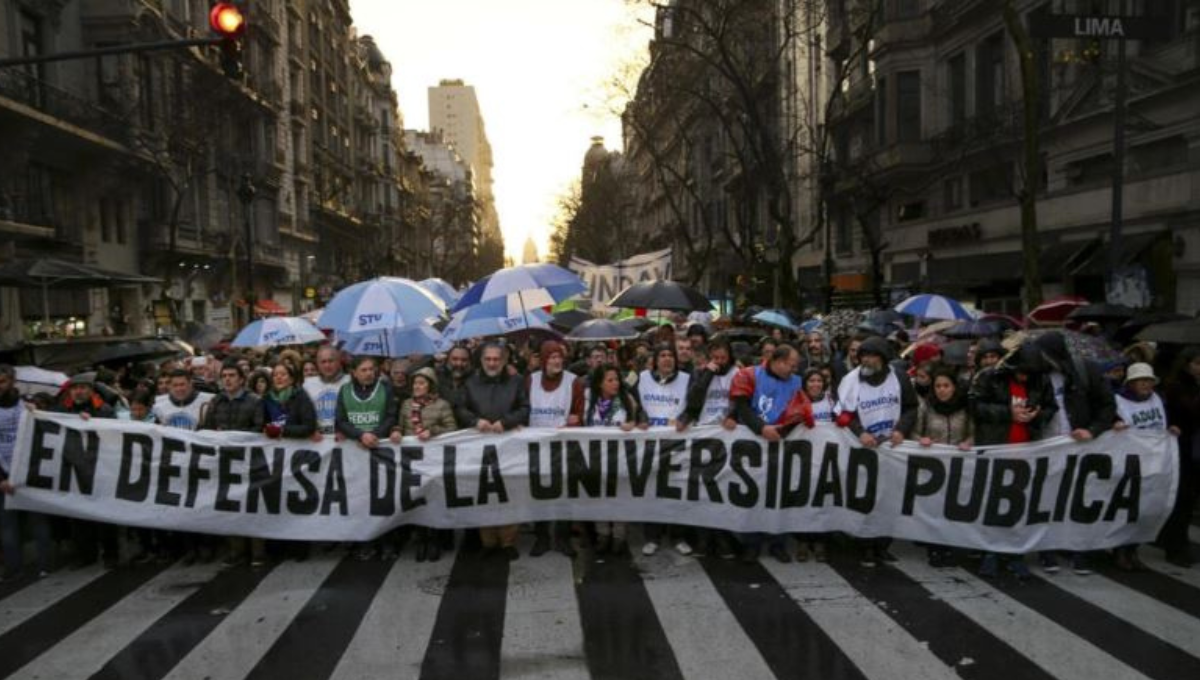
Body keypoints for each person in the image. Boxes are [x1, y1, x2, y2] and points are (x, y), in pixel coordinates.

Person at [971, 342, 1059, 579]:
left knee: (1018, 507)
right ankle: (989, 552)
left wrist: (1037, 415)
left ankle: (1014, 555)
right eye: (1021, 373)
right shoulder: (990, 377)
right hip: (996, 448)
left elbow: (1052, 406)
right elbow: (975, 406)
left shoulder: (1040, 381)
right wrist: (1007, 413)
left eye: (1028, 375)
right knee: (991, 504)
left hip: (1026, 451)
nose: (1024, 378)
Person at [1035, 331, 1117, 575]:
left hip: (1079, 448)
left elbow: (1107, 405)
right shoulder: (1037, 375)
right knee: (1046, 500)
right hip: (1046, 446)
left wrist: (1093, 430)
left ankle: (1078, 550)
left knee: (1078, 500)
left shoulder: (1085, 372)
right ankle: (1047, 550)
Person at [835, 336, 918, 567]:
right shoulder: (850, 380)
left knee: (889, 499)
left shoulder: (899, 378)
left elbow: (911, 407)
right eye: (863, 356)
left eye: (871, 356)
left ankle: (883, 545)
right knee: (866, 497)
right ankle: (865, 546)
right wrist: (860, 431)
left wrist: (901, 429)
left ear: (882, 358)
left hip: (891, 449)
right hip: (864, 449)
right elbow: (841, 414)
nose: (866, 361)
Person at [729, 344, 814, 563]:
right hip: (753, 446)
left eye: (795, 366)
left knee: (779, 496)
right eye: (790, 365)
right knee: (752, 496)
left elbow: (802, 411)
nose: (793, 370)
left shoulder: (796, 382)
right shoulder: (749, 375)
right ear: (778, 361)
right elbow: (742, 408)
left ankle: (778, 542)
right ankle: (751, 543)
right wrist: (761, 428)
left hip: (782, 446)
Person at [455, 342, 530, 560]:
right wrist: (474, 420)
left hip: (509, 447)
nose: (492, 363)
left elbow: (525, 408)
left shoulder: (516, 381)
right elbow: (460, 408)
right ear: (481, 360)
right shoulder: (470, 382)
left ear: (504, 360)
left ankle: (508, 542)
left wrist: (505, 422)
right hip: (480, 447)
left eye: (496, 359)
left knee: (510, 492)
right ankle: (488, 541)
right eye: (488, 359)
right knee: (483, 493)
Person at [575, 363, 648, 555]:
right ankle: (602, 534)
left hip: (620, 459)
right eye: (610, 380)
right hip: (594, 458)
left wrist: (634, 423)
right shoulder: (589, 398)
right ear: (600, 383)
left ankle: (618, 536)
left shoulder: (627, 399)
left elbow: (641, 418)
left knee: (619, 496)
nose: (615, 383)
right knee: (598, 497)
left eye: (617, 379)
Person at [1111, 362, 1179, 571]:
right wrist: (1114, 423)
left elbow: (1162, 423)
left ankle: (1133, 548)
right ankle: (1120, 550)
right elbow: (1108, 421)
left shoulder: (1158, 399)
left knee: (1146, 507)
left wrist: (1172, 428)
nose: (1146, 384)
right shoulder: (1118, 401)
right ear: (1131, 383)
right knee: (1126, 507)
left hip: (1154, 462)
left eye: (1149, 380)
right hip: (1129, 463)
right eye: (1142, 380)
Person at [201, 360, 267, 567]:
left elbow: (259, 429)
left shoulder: (255, 401)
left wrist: (232, 436)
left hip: (249, 461)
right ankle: (236, 551)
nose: (228, 379)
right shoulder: (216, 402)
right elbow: (206, 428)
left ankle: (258, 552)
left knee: (252, 505)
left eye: (232, 376)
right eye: (225, 376)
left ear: (241, 379)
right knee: (229, 506)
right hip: (225, 462)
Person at [677, 338, 738, 558]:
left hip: (727, 438)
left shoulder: (737, 373)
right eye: (716, 358)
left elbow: (742, 401)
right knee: (703, 489)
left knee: (722, 490)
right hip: (703, 436)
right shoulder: (700, 372)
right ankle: (703, 539)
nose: (720, 362)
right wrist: (707, 374)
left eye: (723, 358)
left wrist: (732, 416)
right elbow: (693, 400)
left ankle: (722, 538)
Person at [52, 374, 119, 568]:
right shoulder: (61, 410)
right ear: (69, 391)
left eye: (82, 388)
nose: (78, 391)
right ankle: (86, 554)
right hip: (75, 469)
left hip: (100, 468)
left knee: (105, 514)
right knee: (79, 515)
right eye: (74, 388)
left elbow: (114, 435)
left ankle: (111, 553)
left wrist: (93, 421)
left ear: (90, 390)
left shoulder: (104, 410)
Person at [335, 355, 398, 560]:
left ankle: (387, 542)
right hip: (356, 452)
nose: (369, 373)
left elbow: (391, 416)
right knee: (360, 500)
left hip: (380, 450)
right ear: (354, 372)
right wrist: (360, 435)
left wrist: (375, 435)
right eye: (364, 369)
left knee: (384, 498)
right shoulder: (344, 391)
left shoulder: (385, 388)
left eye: (371, 369)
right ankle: (365, 541)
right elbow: (340, 420)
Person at [393, 367, 457, 562]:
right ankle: (422, 538)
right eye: (415, 384)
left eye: (422, 383)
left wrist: (433, 430)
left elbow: (452, 428)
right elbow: (400, 425)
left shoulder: (442, 405)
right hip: (412, 460)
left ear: (430, 386)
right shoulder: (406, 404)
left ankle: (436, 538)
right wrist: (395, 431)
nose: (417, 387)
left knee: (434, 497)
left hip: (434, 460)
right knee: (417, 498)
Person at [914, 363, 975, 568]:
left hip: (958, 465)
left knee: (953, 507)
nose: (942, 390)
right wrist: (921, 439)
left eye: (946, 385)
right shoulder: (926, 406)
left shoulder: (964, 408)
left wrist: (969, 442)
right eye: (938, 386)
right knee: (934, 507)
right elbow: (914, 432)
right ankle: (934, 548)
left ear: (954, 387)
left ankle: (949, 546)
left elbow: (973, 432)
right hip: (934, 467)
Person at [153, 368, 216, 564]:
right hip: (174, 465)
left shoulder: (208, 401)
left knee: (202, 506)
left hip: (200, 462)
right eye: (174, 385)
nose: (179, 389)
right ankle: (189, 548)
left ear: (190, 384)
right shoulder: (160, 405)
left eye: (182, 384)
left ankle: (207, 545)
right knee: (182, 508)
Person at [526, 341, 582, 558]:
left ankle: (562, 537)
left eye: (560, 357)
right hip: (536, 446)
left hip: (563, 447)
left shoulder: (574, 382)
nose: (557, 361)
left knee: (564, 492)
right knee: (538, 492)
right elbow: (522, 406)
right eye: (552, 357)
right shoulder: (531, 380)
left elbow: (579, 412)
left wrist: (576, 421)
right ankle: (541, 537)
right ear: (543, 359)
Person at [636, 343, 692, 557]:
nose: (667, 359)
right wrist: (640, 417)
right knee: (651, 490)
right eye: (663, 355)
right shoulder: (642, 378)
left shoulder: (687, 379)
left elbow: (694, 404)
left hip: (677, 443)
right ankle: (652, 537)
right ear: (655, 359)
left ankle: (678, 536)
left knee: (677, 491)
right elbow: (633, 402)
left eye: (671, 355)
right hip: (650, 444)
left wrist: (685, 419)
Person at [0, 366, 53, 580]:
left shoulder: (28, 407)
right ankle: (14, 568)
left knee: (38, 522)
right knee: (7, 526)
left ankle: (44, 564)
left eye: (2, 381)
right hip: (4, 476)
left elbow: (44, 437)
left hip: (30, 474)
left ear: (12, 381)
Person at [303, 345, 349, 441]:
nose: (327, 365)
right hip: (317, 440)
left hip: (344, 440)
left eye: (330, 361)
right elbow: (301, 414)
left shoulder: (350, 381)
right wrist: (309, 431)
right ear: (318, 364)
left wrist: (348, 431)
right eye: (323, 362)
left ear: (339, 362)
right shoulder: (308, 384)